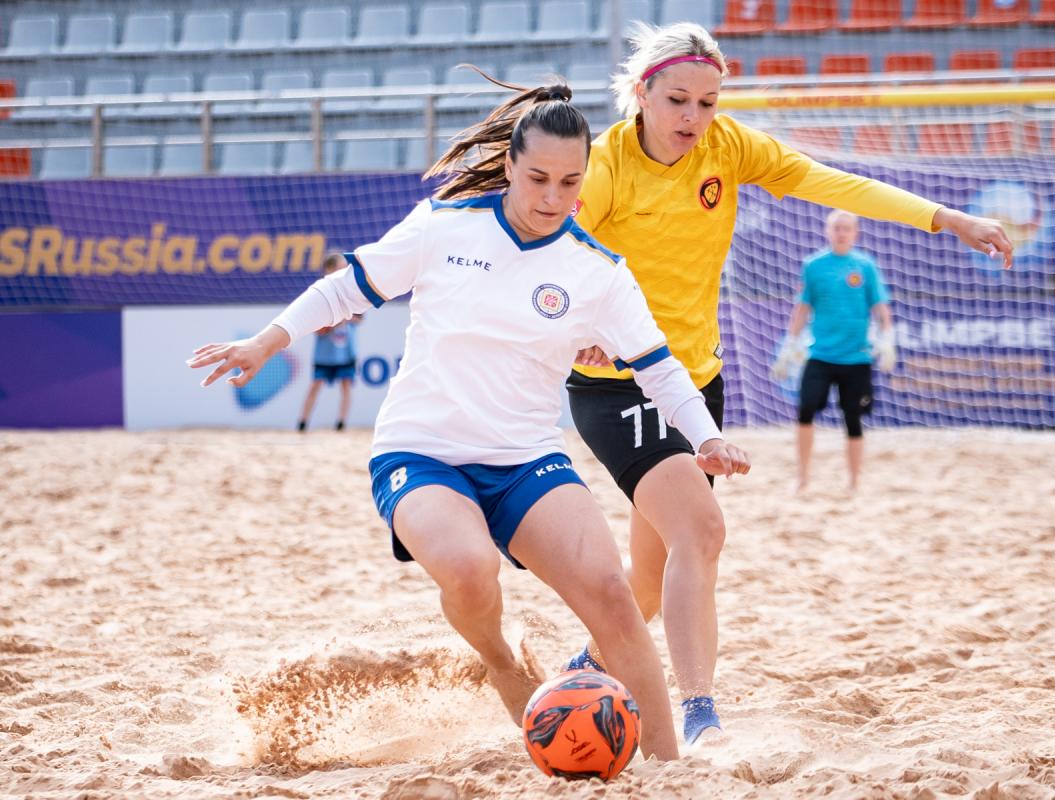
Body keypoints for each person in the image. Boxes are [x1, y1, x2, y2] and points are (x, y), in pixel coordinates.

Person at [186, 75, 752, 763]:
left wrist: (707, 437)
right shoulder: (443, 226)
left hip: (526, 459)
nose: (552, 198)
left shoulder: (597, 271)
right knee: (469, 567)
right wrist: (266, 340)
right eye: (538, 178)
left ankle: (667, 767)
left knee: (612, 594)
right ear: (509, 165)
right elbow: (346, 289)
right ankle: (500, 660)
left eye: (570, 183)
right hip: (421, 451)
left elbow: (659, 368)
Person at [563, 21, 1015, 745]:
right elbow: (557, 246)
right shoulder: (607, 163)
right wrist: (576, 319)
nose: (693, 116)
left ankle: (581, 671)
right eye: (678, 100)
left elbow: (828, 181)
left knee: (652, 576)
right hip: (616, 382)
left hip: (696, 381)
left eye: (707, 102)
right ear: (642, 93)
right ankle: (701, 716)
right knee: (702, 531)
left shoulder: (727, 147)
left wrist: (945, 217)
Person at [772, 210, 896, 492]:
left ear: (855, 233)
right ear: (828, 231)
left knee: (853, 419)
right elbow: (803, 307)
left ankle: (854, 482)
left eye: (846, 228)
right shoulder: (813, 265)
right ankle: (802, 477)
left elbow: (880, 306)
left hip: (857, 357)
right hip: (820, 354)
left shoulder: (865, 265)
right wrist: (789, 345)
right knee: (805, 410)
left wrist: (887, 338)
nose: (841, 233)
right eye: (836, 228)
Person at [297, 253, 362, 432]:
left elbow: (359, 319)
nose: (345, 271)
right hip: (324, 352)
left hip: (346, 350)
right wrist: (332, 322)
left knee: (346, 385)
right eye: (341, 267)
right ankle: (302, 422)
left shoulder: (353, 292)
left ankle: (341, 423)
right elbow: (316, 328)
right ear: (329, 269)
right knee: (315, 385)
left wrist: (343, 317)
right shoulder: (319, 294)